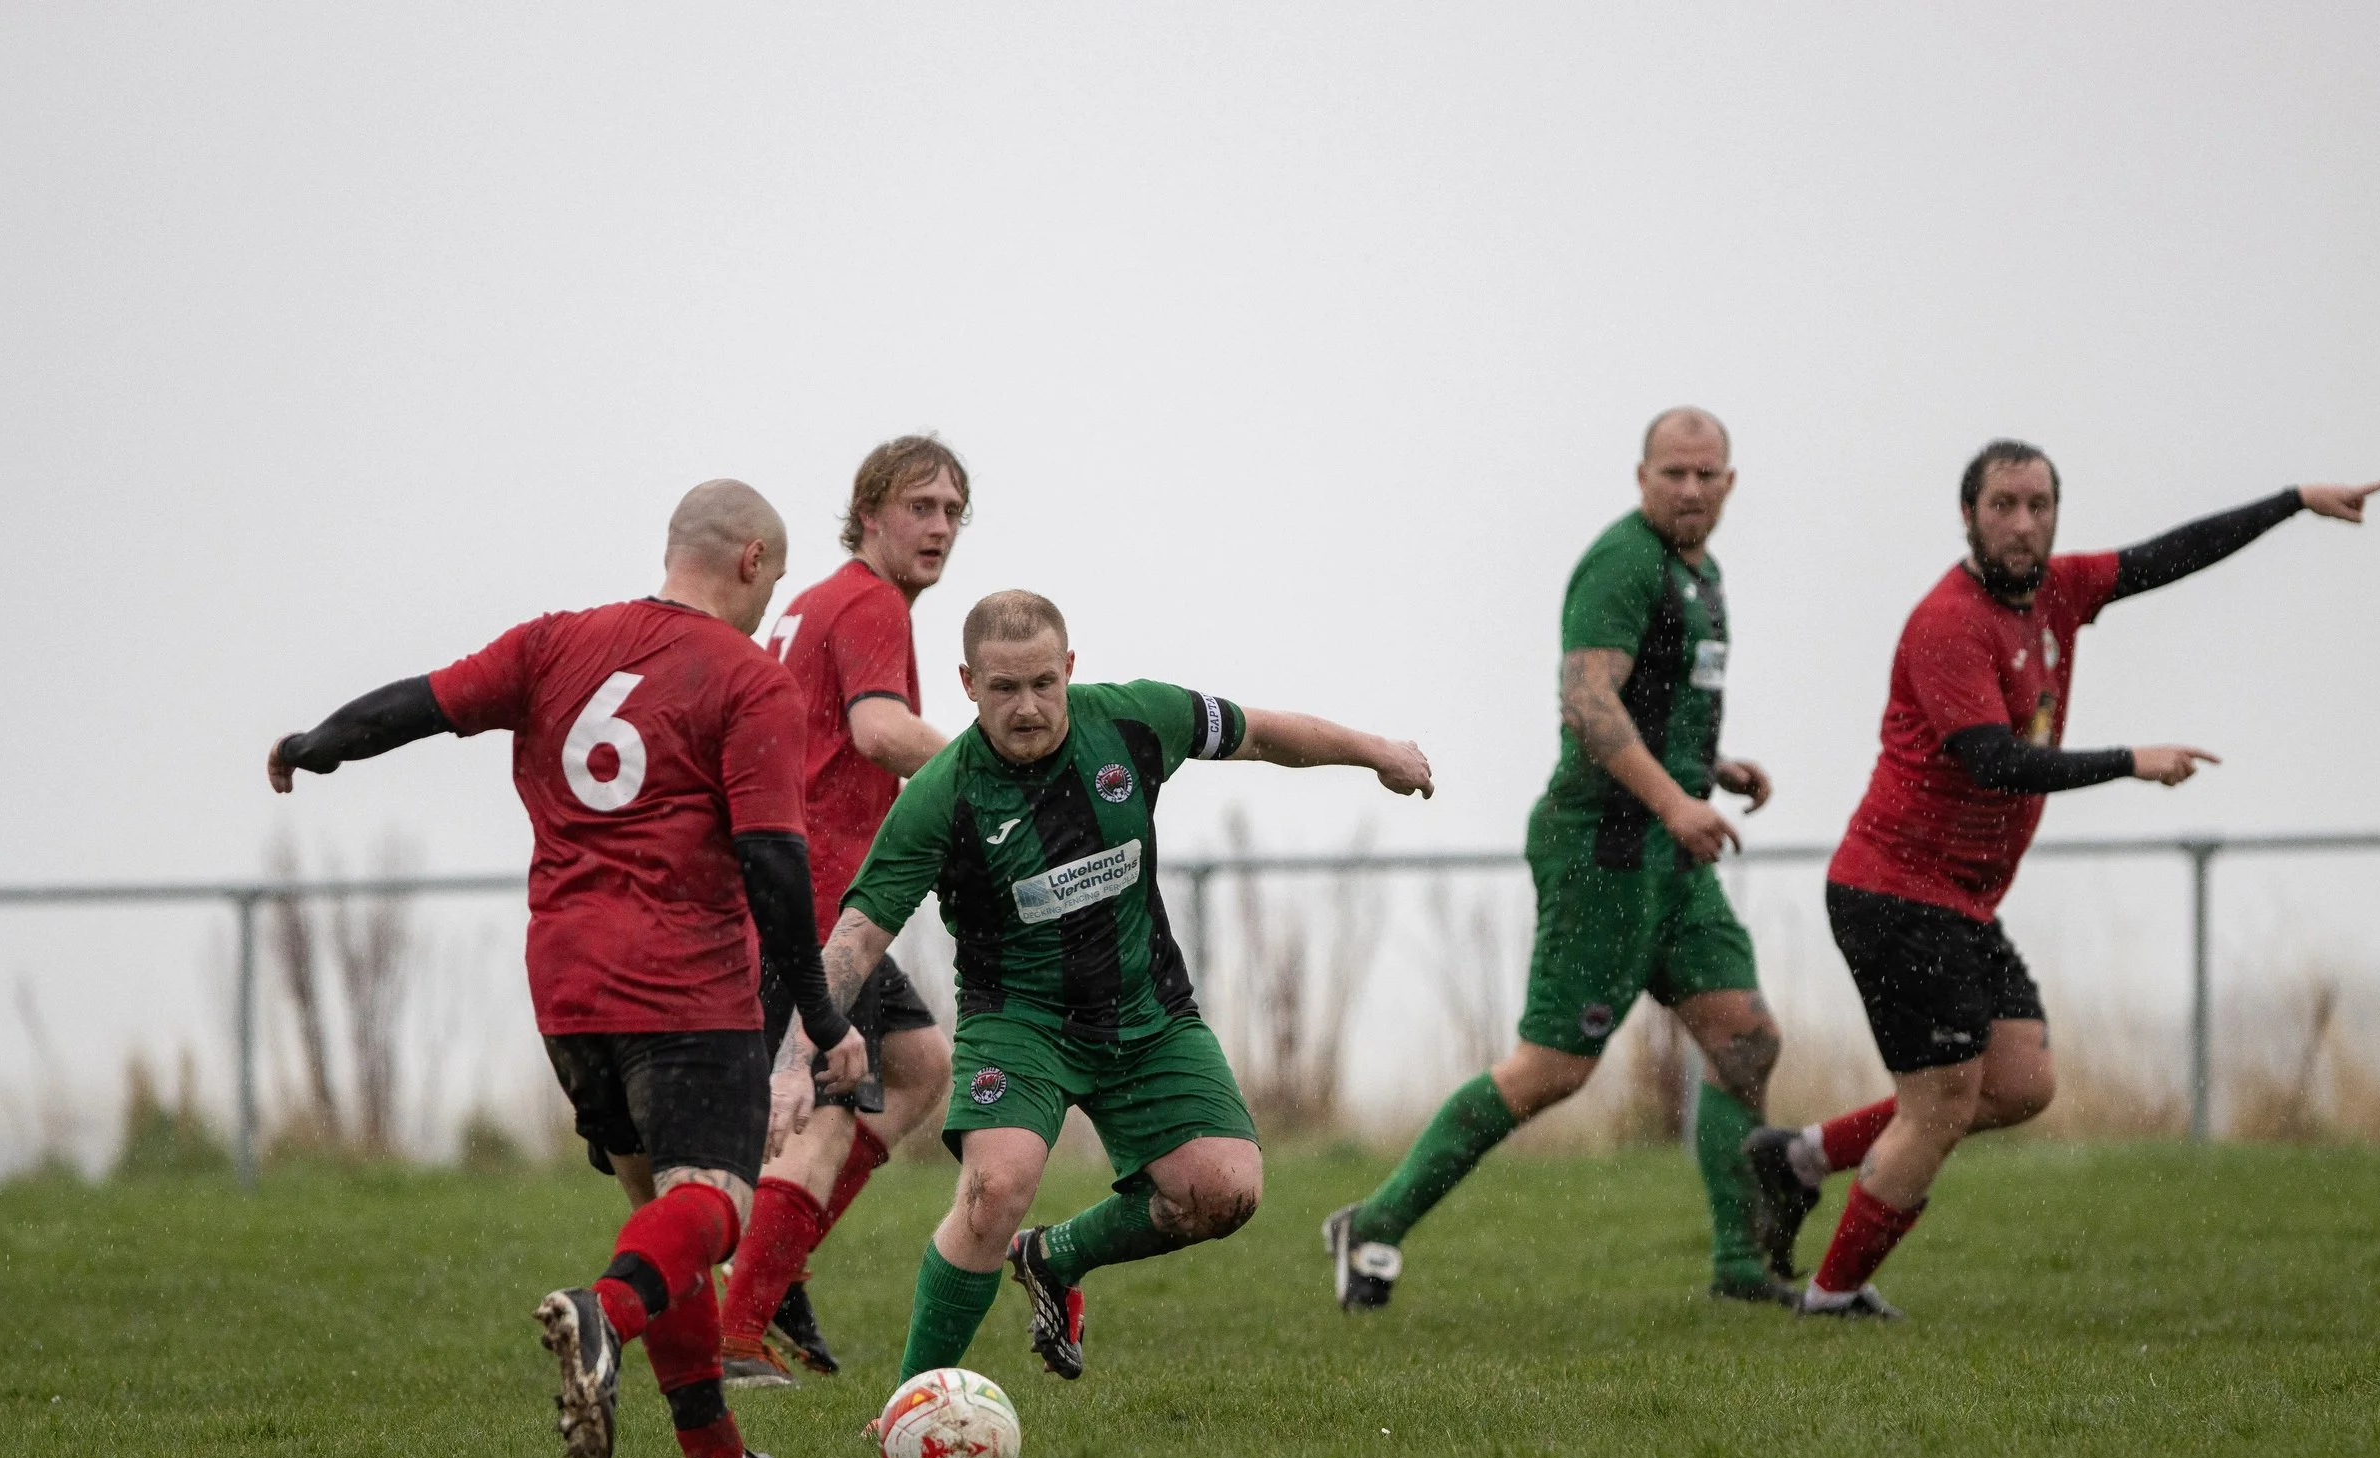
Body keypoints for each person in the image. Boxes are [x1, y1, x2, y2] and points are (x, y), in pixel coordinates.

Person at [266, 480, 867, 1458]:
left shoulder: (554, 643)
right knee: (717, 1204)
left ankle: (714, 1452)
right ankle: (602, 1313)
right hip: (685, 983)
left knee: (657, 1215)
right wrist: (820, 1016)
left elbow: (419, 705)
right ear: (751, 561)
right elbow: (771, 858)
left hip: (568, 986)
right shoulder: (750, 679)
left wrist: (316, 745)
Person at [1744, 443, 2380, 1317]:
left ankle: (1800, 1159)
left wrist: (2292, 501)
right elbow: (1995, 761)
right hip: (1895, 893)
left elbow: (2168, 557)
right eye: (2003, 504)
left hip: (1961, 899)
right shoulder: (1949, 622)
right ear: (1968, 515)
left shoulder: (2058, 593)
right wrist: (2130, 761)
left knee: (2019, 1084)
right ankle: (1833, 1298)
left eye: (2039, 504)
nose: (2023, 522)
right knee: (1938, 1108)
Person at [781, 589, 1432, 1388]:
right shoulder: (941, 797)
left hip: (1146, 1013)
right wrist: (794, 1056)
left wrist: (1377, 752)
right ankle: (908, 1409)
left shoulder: (1133, 719)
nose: (1026, 707)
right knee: (995, 1187)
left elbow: (1263, 733)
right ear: (967, 683)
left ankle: (1053, 1261)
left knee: (1225, 1191)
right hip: (1019, 1022)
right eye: (1003, 688)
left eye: (1042, 683)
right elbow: (854, 940)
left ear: (1070, 671)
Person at [1323, 408, 1792, 1310]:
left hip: (1670, 851)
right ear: (1641, 477)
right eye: (1672, 473)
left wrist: (1709, 770)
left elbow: (1648, 704)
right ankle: (1371, 1225)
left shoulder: (1705, 574)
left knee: (1746, 1041)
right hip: (1605, 850)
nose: (1689, 489)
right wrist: (1674, 800)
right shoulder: (1622, 562)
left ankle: (1743, 1272)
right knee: (1552, 1071)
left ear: (1730, 482)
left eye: (1706, 474)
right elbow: (1588, 703)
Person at [718, 437, 966, 1389]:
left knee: (917, 1064)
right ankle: (741, 1328)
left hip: (792, 890)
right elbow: (878, 729)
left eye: (952, 511)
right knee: (831, 1102)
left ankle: (773, 1270)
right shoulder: (869, 601)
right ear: (868, 513)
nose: (939, 526)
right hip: (817, 903)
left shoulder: (813, 601)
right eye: (920, 506)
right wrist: (988, 772)